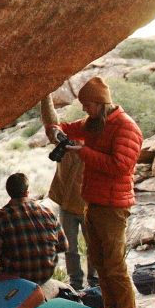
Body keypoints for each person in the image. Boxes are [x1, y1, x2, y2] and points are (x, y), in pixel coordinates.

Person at [43, 76, 142, 308]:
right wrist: (56, 132)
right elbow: (65, 127)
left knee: (115, 268)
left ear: (100, 103)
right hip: (94, 204)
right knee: (101, 266)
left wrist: (84, 152)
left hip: (113, 208)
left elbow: (121, 165)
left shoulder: (126, 127)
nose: (85, 109)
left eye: (87, 105)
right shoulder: (95, 123)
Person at [40, 95, 98, 291]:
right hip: (67, 205)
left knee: (93, 247)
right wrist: (45, 95)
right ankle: (76, 283)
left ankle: (94, 282)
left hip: (88, 204)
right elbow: (51, 122)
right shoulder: (64, 142)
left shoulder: (92, 145)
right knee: (70, 248)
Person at [0, 172, 69, 285]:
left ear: (9, 192)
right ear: (27, 192)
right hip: (45, 275)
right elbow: (63, 246)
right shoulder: (47, 212)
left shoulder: (1, 217)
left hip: (15, 276)